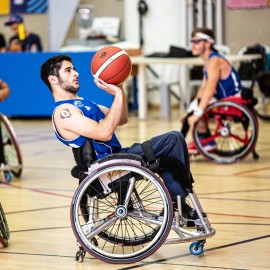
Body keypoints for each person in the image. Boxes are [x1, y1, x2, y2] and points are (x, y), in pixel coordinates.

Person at [40, 54, 200, 220]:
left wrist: (120, 89)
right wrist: (116, 96)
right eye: (68, 70)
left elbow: (121, 118)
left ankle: (176, 202)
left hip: (117, 158)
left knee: (175, 141)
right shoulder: (63, 112)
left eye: (74, 69)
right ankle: (176, 203)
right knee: (172, 139)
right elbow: (104, 132)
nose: (76, 73)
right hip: (106, 167)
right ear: (53, 79)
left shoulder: (83, 103)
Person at [181, 27, 242, 147]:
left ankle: (205, 140)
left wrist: (197, 114)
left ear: (208, 43)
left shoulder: (214, 60)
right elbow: (203, 89)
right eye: (192, 41)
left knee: (199, 108)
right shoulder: (209, 62)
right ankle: (197, 140)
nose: (193, 45)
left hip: (232, 102)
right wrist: (189, 111)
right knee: (193, 109)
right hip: (225, 100)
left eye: (197, 41)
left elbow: (209, 90)